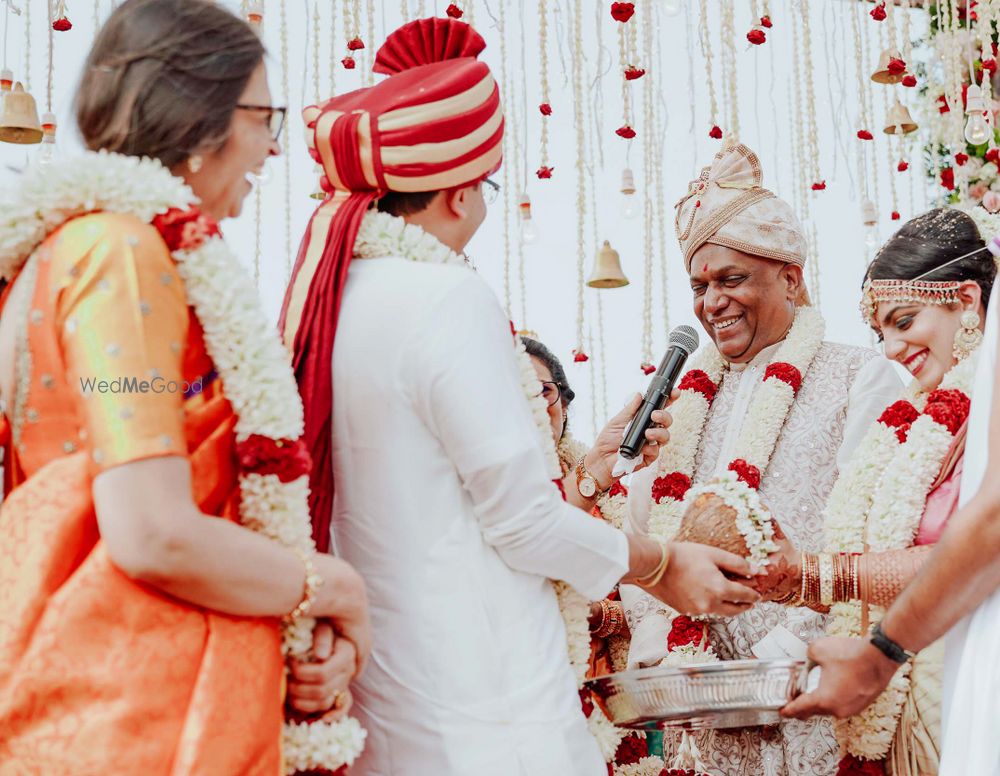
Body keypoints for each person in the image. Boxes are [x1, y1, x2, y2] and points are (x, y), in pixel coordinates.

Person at [279, 17, 760, 776]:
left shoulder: (328, 304)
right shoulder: (443, 297)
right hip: (486, 705)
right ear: (462, 191)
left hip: (388, 696)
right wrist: (662, 561)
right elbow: (522, 524)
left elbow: (440, 503)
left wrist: (592, 470)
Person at [0, 1, 369, 771]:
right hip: (132, 710)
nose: (272, 148)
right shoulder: (119, 252)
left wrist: (300, 637)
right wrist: (330, 586)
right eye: (263, 116)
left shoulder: (96, 246)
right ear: (196, 121)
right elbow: (153, 531)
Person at [621, 139, 902, 775]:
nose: (711, 302)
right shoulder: (682, 405)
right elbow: (643, 541)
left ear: (791, 278)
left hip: (814, 697)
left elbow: (877, 537)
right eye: (699, 285)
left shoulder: (860, 375)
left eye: (732, 280)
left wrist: (787, 650)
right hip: (698, 707)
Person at [752, 208, 995, 774]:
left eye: (905, 320)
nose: (889, 349)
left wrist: (820, 574)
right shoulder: (913, 424)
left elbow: (976, 549)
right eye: (880, 331)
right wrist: (792, 578)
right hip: (913, 700)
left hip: (972, 687)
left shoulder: (987, 405)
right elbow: (879, 566)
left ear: (966, 299)